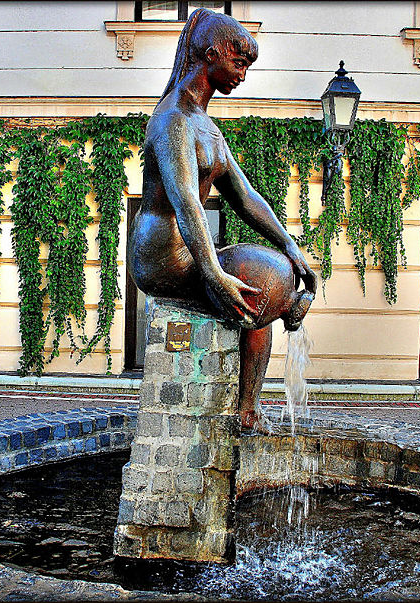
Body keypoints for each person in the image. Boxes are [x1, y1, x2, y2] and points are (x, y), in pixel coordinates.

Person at [127, 8, 317, 431]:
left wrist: (290, 245)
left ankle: (248, 409)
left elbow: (245, 197)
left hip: (191, 252)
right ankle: (288, 308)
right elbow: (186, 202)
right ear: (210, 55)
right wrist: (214, 273)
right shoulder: (172, 119)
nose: (243, 75)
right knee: (258, 280)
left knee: (267, 276)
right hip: (162, 260)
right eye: (239, 63)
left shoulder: (205, 125)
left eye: (247, 66)